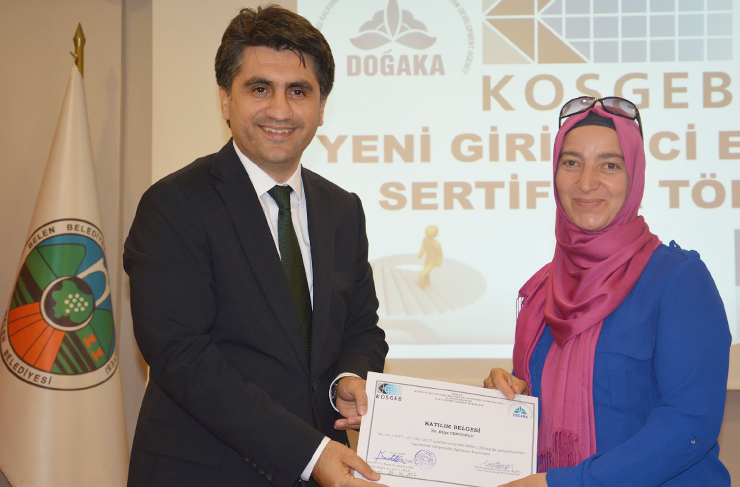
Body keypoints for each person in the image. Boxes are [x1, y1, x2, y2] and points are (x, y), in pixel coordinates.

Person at [124, 6, 388, 487]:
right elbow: (183, 357)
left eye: (298, 91)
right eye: (260, 88)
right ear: (226, 99)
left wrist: (347, 379)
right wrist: (310, 453)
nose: (280, 111)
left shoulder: (342, 209)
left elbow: (361, 328)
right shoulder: (173, 205)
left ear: (322, 106)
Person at [484, 97, 731, 487]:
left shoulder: (679, 280)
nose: (586, 182)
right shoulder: (543, 289)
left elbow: (688, 423)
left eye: (610, 165)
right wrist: (511, 394)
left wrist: (566, 483)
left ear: (634, 177)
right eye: (571, 162)